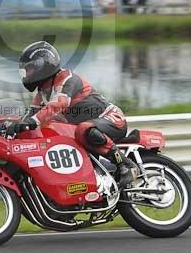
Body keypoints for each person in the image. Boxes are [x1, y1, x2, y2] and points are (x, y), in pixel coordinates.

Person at [8, 41, 139, 187]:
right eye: (26, 70)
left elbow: (59, 104)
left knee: (83, 129)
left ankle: (127, 165)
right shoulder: (43, 91)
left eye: (30, 68)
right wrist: (14, 126)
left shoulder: (67, 79)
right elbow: (30, 114)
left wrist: (33, 121)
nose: (27, 73)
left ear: (43, 65)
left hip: (112, 119)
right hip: (87, 130)